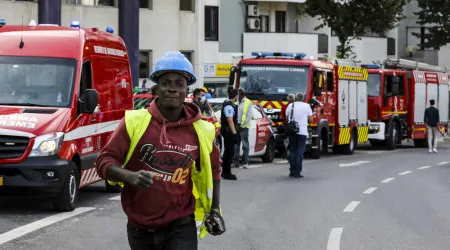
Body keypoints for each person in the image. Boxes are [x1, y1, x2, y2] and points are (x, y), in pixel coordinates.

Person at [96, 51, 226, 250]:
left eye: (179, 84)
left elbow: (214, 171)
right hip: (140, 227)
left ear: (186, 91)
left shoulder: (202, 129)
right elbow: (105, 161)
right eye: (166, 83)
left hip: (181, 224)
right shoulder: (134, 122)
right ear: (156, 89)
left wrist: (214, 210)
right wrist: (129, 176)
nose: (172, 89)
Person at [285, 92, 313, 178]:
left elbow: (286, 117)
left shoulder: (291, 106)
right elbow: (311, 119)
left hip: (292, 132)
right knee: (300, 152)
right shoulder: (306, 106)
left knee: (293, 151)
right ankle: (298, 171)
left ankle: (292, 170)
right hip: (302, 132)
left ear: (296, 98)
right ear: (303, 98)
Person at [221, 89, 239, 180]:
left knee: (228, 151)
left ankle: (225, 171)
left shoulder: (228, 104)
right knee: (229, 151)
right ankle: (226, 172)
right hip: (228, 131)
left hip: (227, 130)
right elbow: (230, 120)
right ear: (235, 96)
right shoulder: (229, 106)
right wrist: (234, 133)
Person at [233, 88, 253, 169]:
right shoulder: (236, 101)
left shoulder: (248, 102)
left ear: (241, 94)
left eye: (237, 94)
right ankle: (236, 163)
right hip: (236, 125)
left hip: (244, 127)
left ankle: (245, 162)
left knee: (245, 145)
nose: (236, 95)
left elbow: (249, 115)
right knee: (236, 145)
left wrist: (243, 126)